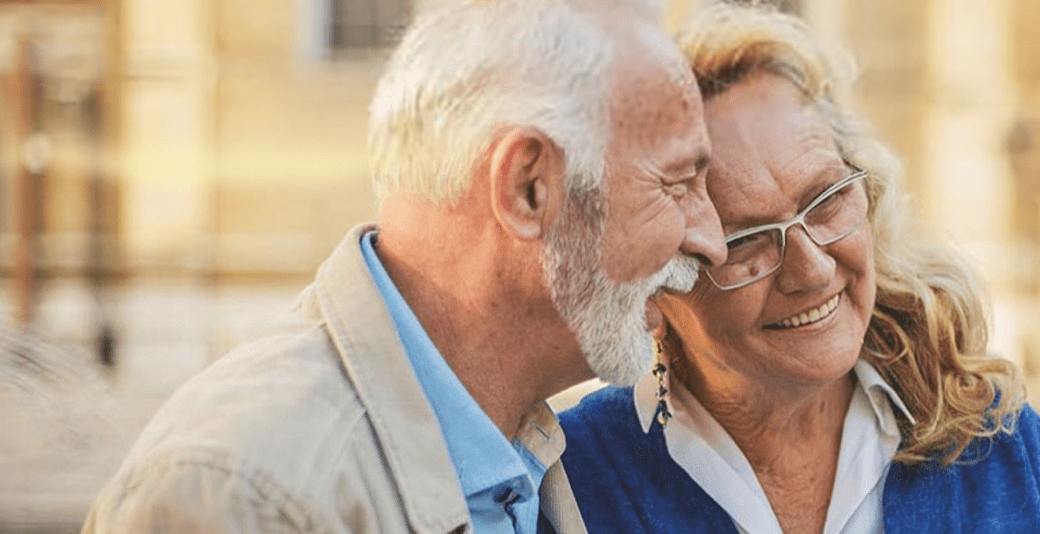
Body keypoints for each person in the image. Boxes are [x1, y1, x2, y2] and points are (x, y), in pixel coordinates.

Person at [82, 1, 725, 533]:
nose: (712, 241)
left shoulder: (528, 449)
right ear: (530, 189)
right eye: (676, 184)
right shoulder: (244, 496)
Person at [557, 4, 1040, 533]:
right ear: (656, 284)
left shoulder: (999, 446)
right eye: (747, 242)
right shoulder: (574, 486)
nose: (810, 269)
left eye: (826, 199)